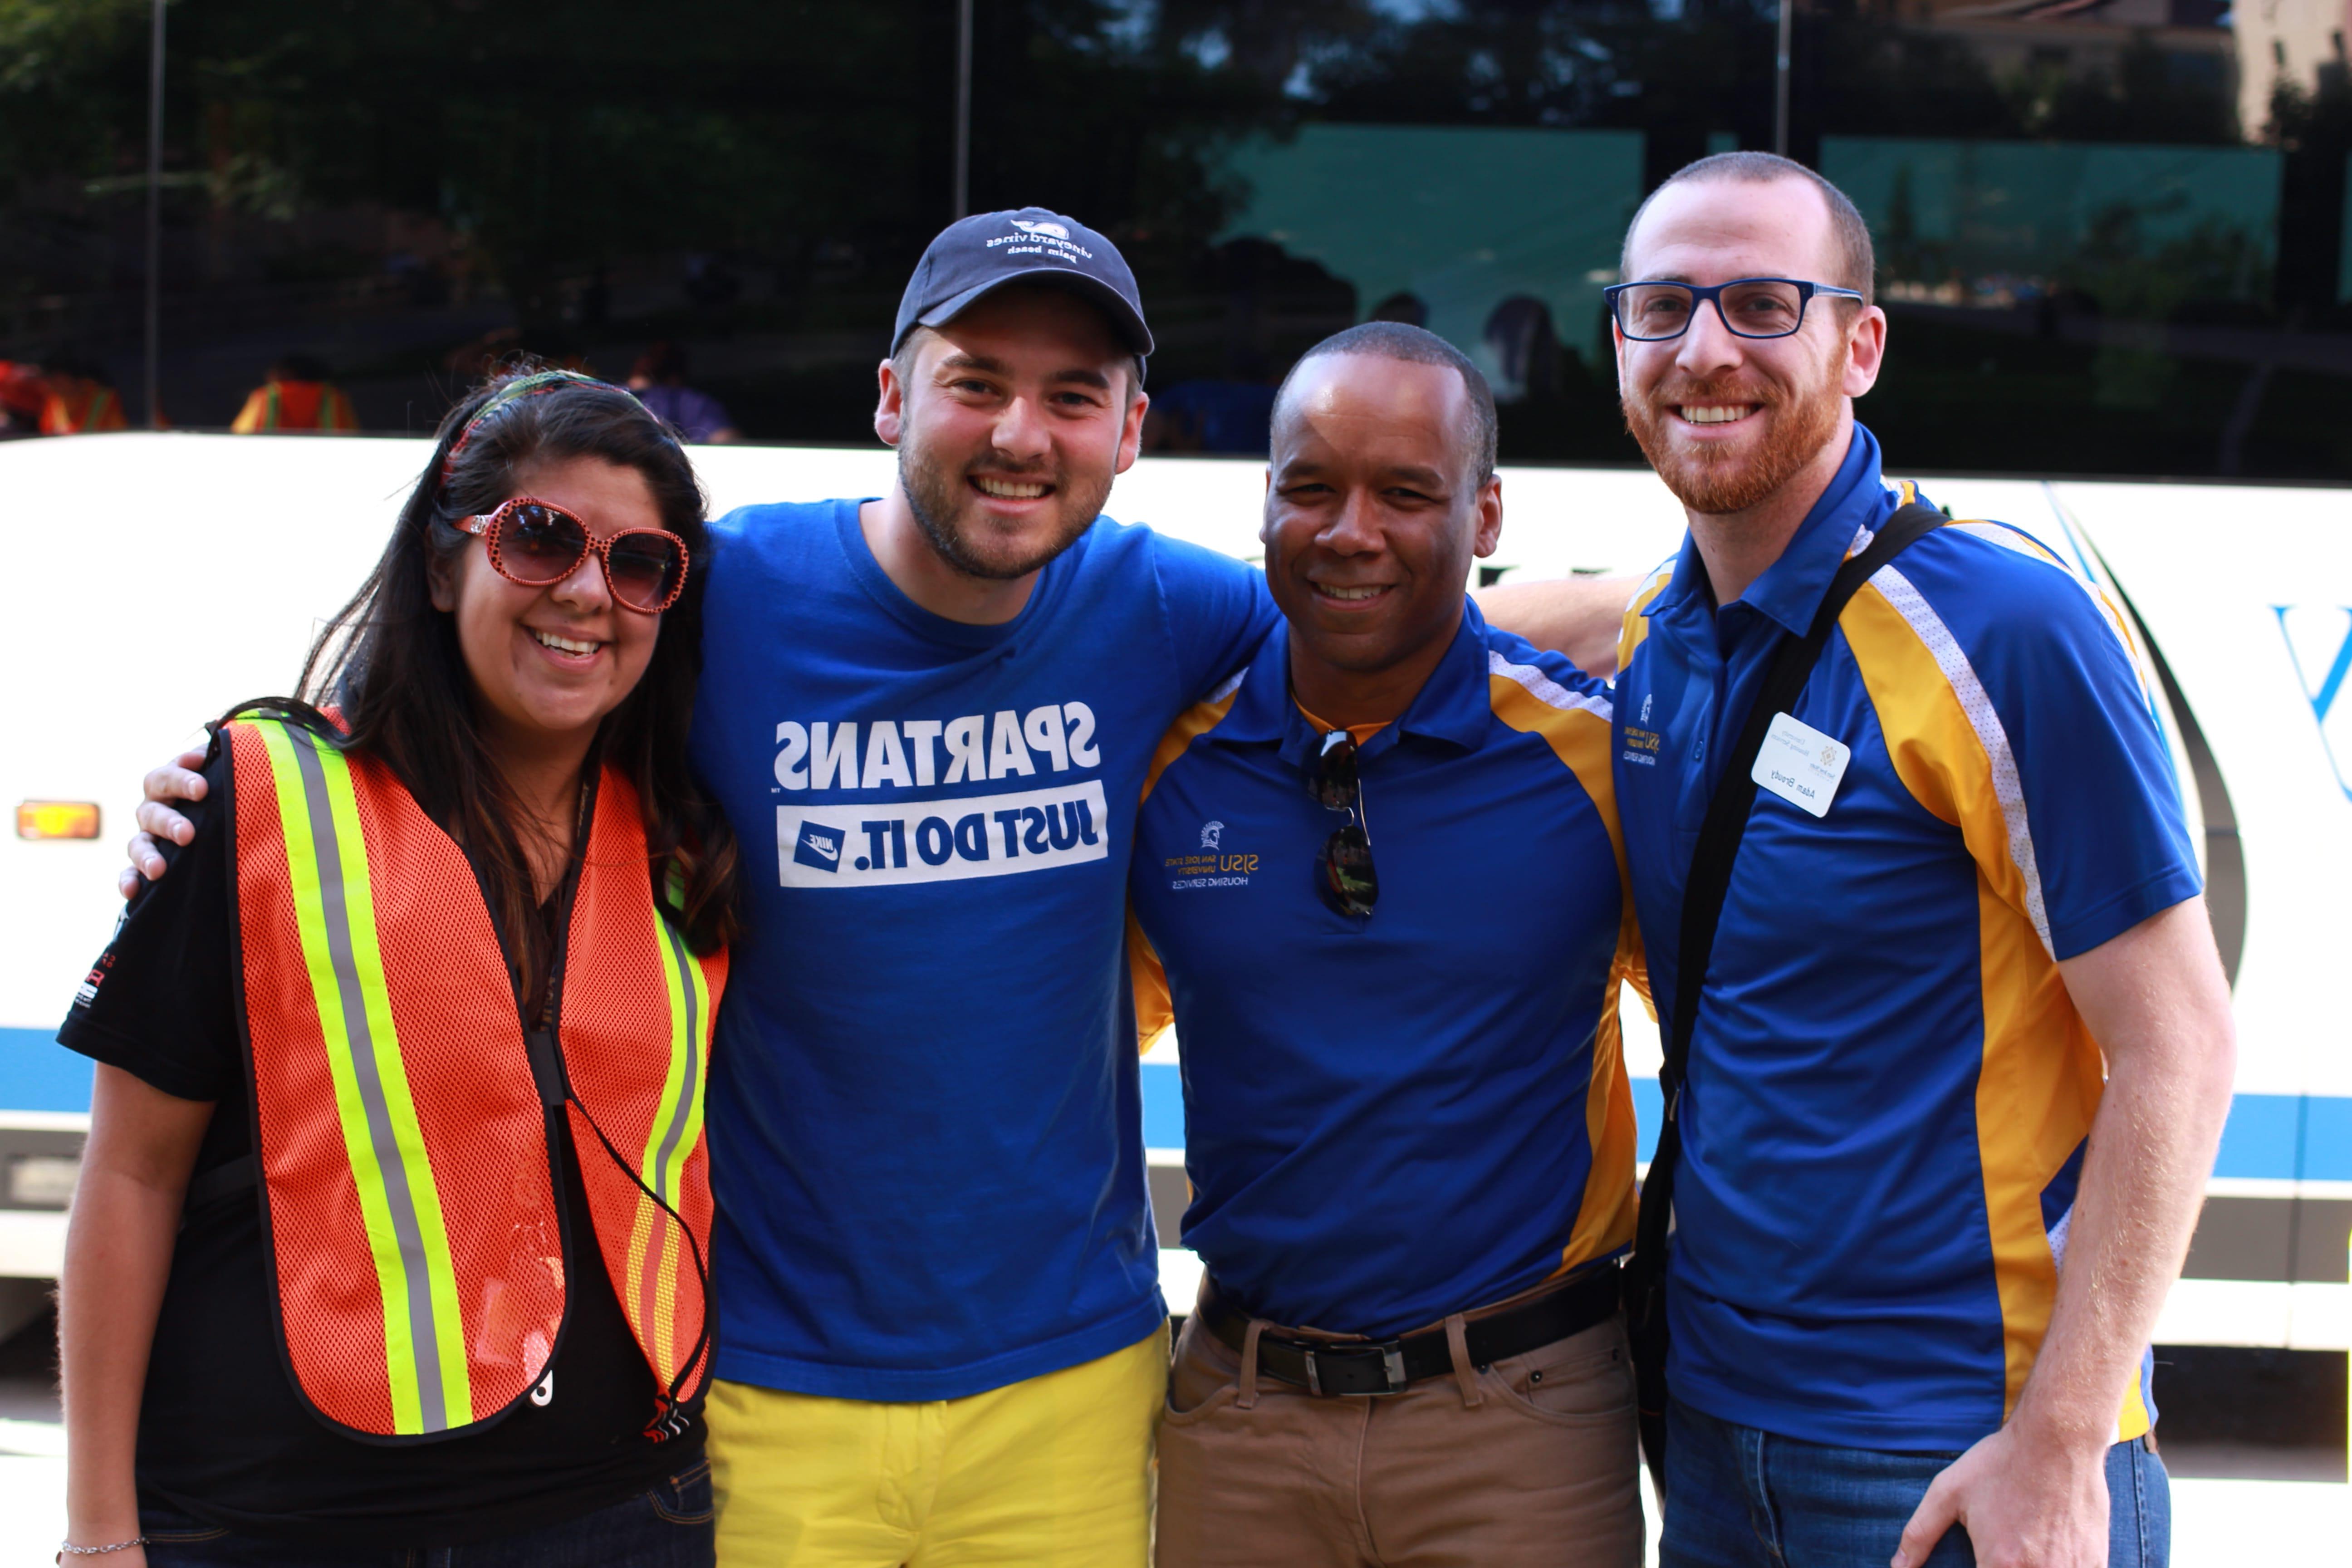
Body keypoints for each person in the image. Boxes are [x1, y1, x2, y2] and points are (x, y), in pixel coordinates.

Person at [123, 209, 1623, 1567]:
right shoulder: (725, 594)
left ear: (1130, 432)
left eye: (1070, 395)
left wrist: (1696, 617)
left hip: (1073, 1389)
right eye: (975, 380)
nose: (1018, 433)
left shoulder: (1164, 604)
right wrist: (253, 787)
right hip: (773, 1382)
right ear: (893, 395)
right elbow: (509, 671)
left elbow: (1397, 615)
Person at [1598, 152, 2234, 1568]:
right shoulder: (1657, 640)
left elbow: (2181, 1049)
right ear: (1621, 342)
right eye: (1661, 308)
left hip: (1955, 1463)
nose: (1706, 350)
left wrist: (2062, 1445)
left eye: (1764, 304)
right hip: (1708, 1442)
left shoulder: (2005, 631)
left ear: (1861, 344)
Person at [63, 368, 738, 1565]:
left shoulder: (690, 851)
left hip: (620, 1515)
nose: (589, 590)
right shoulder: (259, 803)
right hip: (284, 1524)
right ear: (442, 566)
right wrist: (98, 1535)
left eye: (640, 564)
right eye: (542, 539)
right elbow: (128, 1180)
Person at [1130, 322, 1645, 1567]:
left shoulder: (1599, 765)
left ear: (1487, 513)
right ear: (1265, 505)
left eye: (1407, 493)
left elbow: (1754, 1040)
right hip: (1240, 1420)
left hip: (1522, 1425)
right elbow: (1069, 1047)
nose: (1350, 531)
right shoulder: (1168, 771)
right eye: (1312, 488)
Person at [628, 343, 741, 444]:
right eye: (651, 356)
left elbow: (725, 439)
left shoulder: (690, 402)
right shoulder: (617, 394)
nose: (648, 363)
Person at [230, 353, 360, 433]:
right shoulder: (332, 396)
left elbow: (243, 433)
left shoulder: (267, 395)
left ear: (287, 372)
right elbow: (348, 433)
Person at [39, 355, 130, 434]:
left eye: (57, 379)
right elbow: (47, 432)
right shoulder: (53, 402)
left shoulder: (104, 399)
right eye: (50, 380)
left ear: (73, 376)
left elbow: (119, 434)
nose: (52, 385)